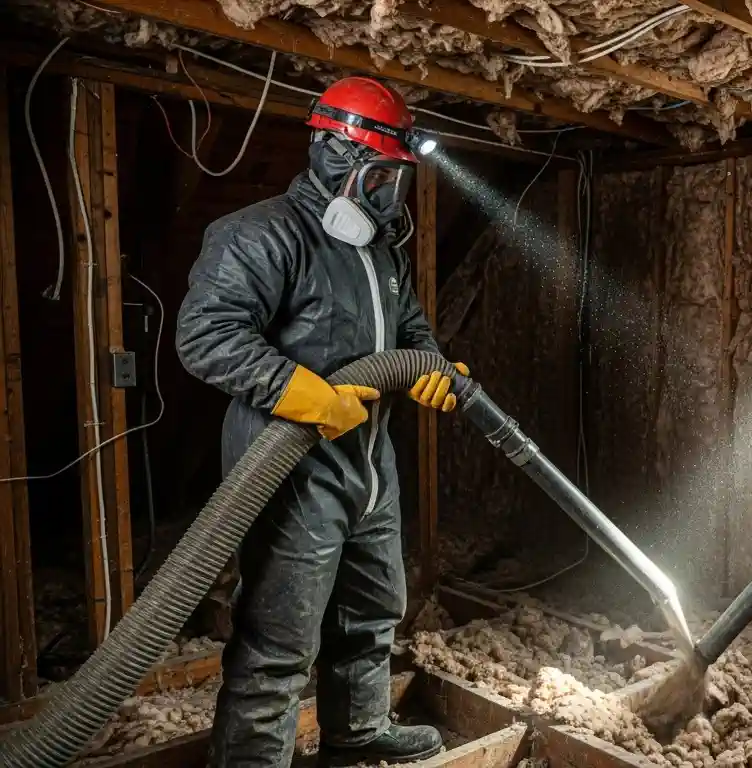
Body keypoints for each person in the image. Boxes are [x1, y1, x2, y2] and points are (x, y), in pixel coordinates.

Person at [176, 76, 466, 767]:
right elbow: (206, 335)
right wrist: (301, 392)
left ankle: (359, 731)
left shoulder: (382, 252)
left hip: (369, 468)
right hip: (293, 468)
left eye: (396, 179)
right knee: (280, 637)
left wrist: (434, 370)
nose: (391, 195)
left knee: (371, 614)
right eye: (383, 175)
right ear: (337, 154)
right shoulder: (259, 235)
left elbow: (411, 333)